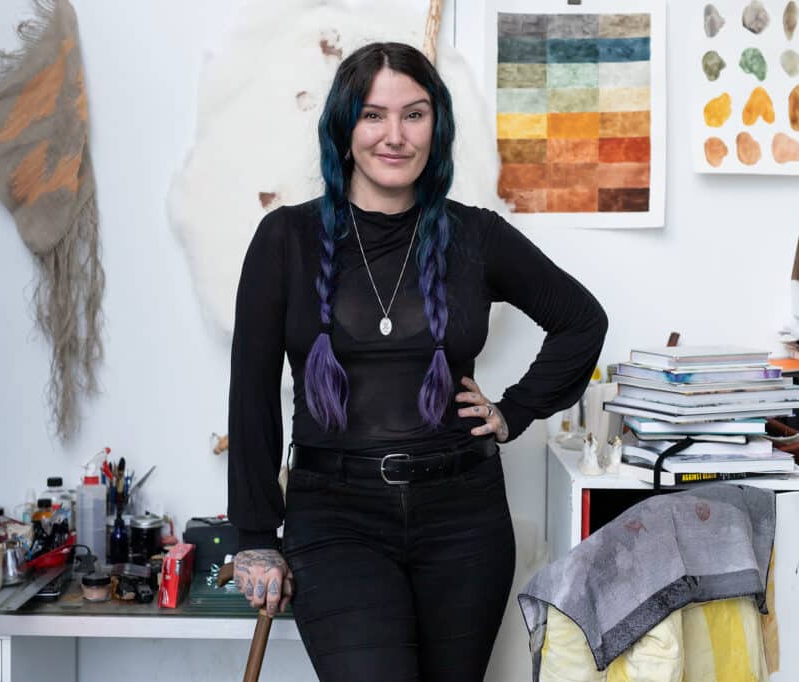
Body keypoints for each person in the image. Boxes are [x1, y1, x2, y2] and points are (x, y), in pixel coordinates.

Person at [228, 41, 608, 681]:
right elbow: (252, 395)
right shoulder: (285, 239)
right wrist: (256, 537)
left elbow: (581, 320)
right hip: (335, 518)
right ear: (344, 128)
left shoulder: (474, 235)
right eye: (373, 115)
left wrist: (514, 412)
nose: (395, 136)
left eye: (415, 114)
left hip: (465, 521)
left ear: (438, 126)